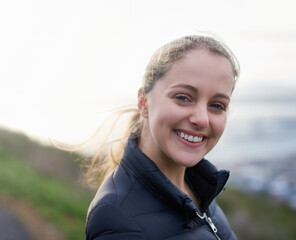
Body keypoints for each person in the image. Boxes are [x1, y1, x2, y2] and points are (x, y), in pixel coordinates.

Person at [85, 35, 239, 240]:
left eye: (217, 105)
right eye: (183, 98)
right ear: (143, 102)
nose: (202, 119)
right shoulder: (117, 219)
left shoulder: (201, 190)